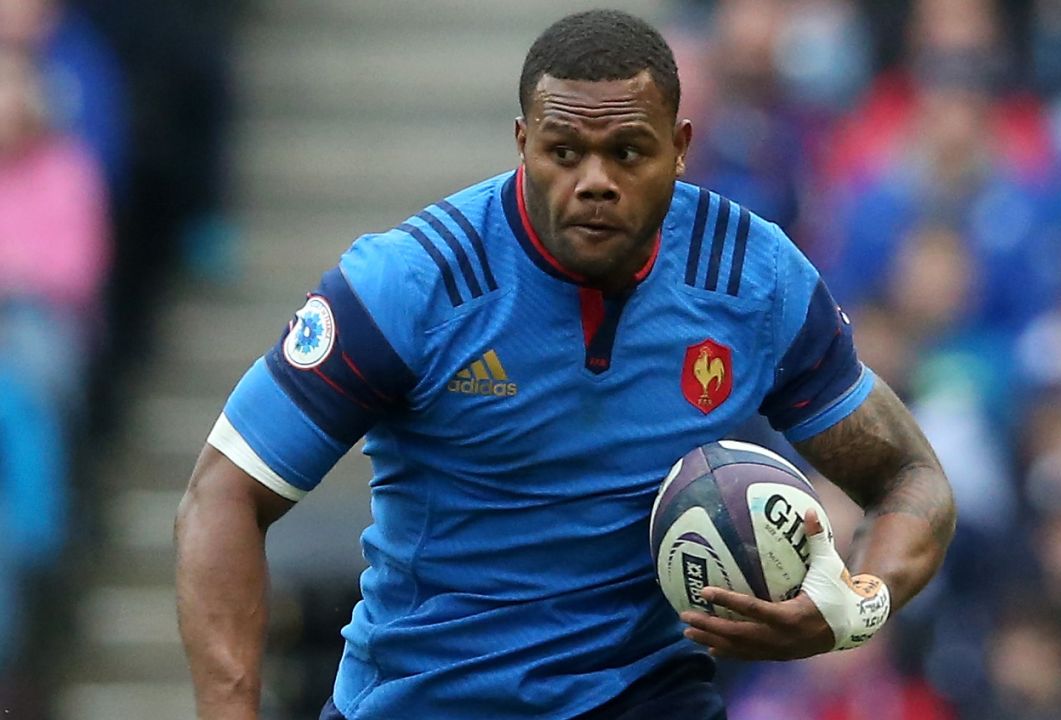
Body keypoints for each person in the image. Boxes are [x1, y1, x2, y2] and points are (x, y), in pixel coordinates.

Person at [174, 11, 955, 720]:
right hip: (429, 699)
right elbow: (224, 494)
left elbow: (909, 480)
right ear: (522, 144)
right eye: (563, 152)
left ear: (680, 149)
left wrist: (856, 606)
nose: (594, 182)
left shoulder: (751, 279)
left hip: (643, 694)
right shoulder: (414, 284)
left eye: (627, 152)